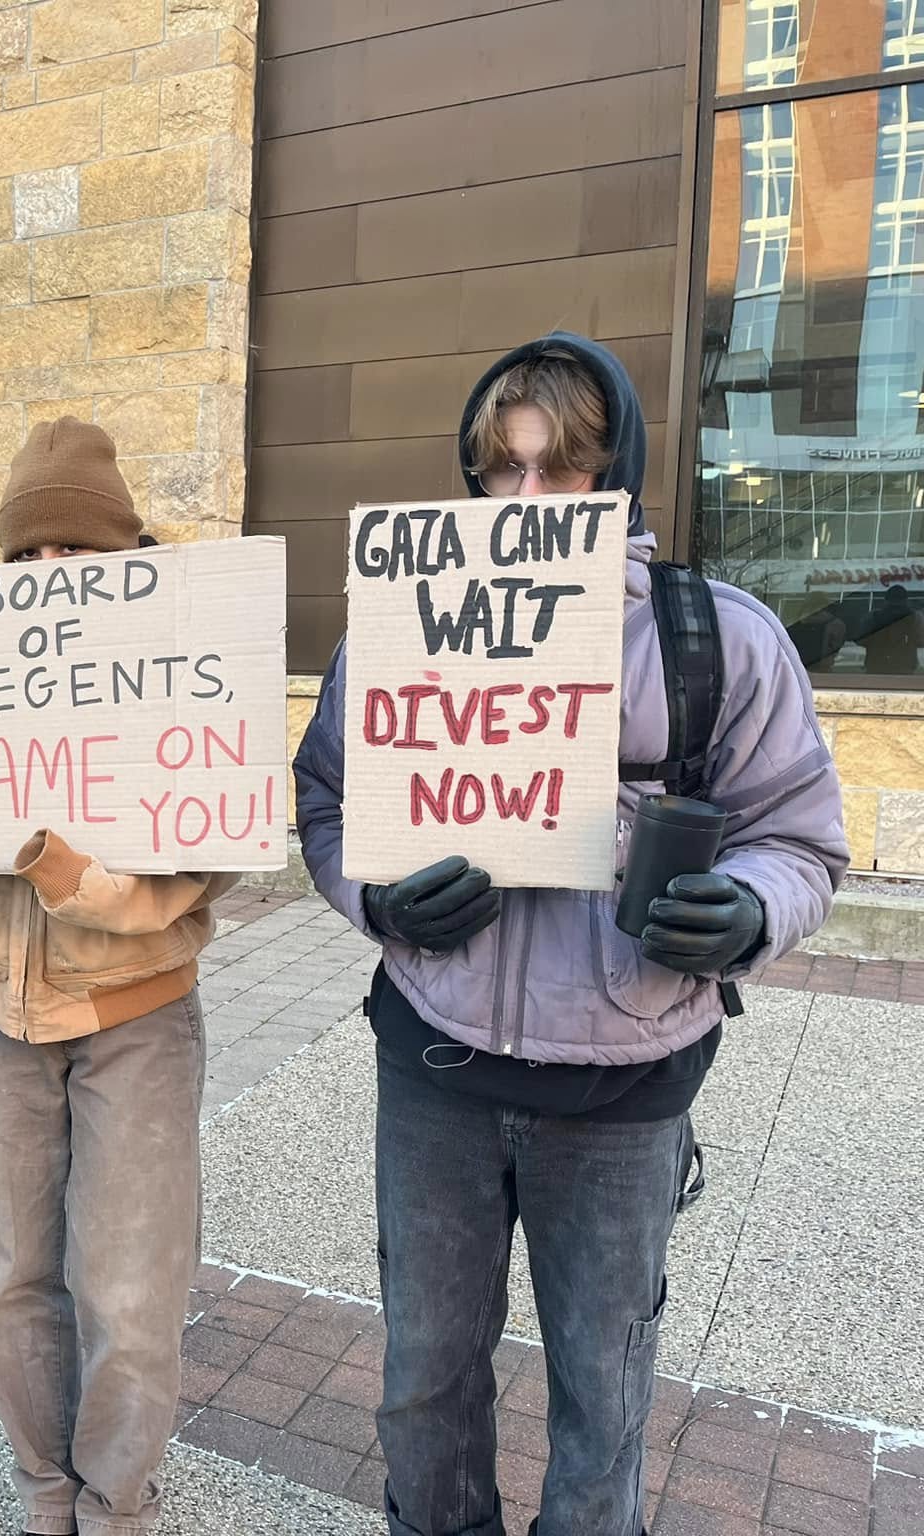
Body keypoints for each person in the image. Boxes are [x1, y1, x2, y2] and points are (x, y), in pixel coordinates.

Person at [292, 333, 848, 1536]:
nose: (531, 493)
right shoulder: (397, 629)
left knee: (603, 1389)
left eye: (563, 466)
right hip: (434, 1065)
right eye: (506, 467)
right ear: (474, 474)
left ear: (617, 473)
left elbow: (799, 840)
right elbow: (326, 801)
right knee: (422, 1376)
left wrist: (748, 907)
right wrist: (375, 898)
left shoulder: (716, 639)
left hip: (623, 1086)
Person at [0, 418, 233, 1536]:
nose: (48, 572)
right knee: (5, 1275)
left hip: (137, 1015)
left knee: (130, 1288)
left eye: (74, 551)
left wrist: (73, 876)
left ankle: (115, 1503)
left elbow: (213, 852)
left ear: (122, 552)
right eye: (26, 554)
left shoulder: (182, 659)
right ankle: (45, 1487)